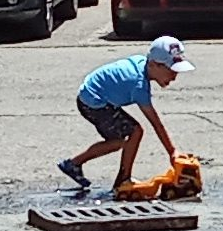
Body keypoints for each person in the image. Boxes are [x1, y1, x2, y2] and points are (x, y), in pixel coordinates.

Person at [59, 35, 191, 191]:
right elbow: (155, 123)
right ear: (155, 65)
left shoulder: (143, 65)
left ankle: (73, 164)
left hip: (94, 96)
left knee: (118, 141)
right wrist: (172, 151)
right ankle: (123, 180)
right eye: (171, 71)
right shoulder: (138, 85)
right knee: (135, 132)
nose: (174, 77)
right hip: (94, 102)